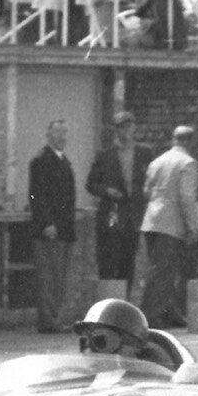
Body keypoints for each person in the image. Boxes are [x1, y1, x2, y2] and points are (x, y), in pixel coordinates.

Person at [139, 126, 198, 328]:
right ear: (191, 142)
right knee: (165, 270)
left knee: (159, 268)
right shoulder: (188, 163)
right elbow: (186, 197)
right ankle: (151, 314)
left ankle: (168, 311)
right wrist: (192, 226)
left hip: (151, 221)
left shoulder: (157, 161)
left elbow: (146, 191)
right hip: (172, 223)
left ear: (173, 140)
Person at [85, 111, 154, 291]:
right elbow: (91, 184)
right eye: (121, 127)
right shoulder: (105, 155)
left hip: (134, 217)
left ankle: (124, 306)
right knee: (108, 262)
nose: (125, 131)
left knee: (128, 262)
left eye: (129, 127)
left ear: (134, 128)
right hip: (111, 215)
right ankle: (108, 305)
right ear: (115, 131)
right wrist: (107, 191)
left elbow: (152, 181)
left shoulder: (144, 153)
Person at [28, 119, 79, 332]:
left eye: (65, 133)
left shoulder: (64, 161)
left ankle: (55, 317)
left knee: (59, 276)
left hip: (64, 227)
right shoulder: (41, 160)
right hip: (50, 228)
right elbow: (36, 195)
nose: (62, 138)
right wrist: (47, 222)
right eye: (58, 134)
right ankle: (48, 320)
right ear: (48, 135)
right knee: (49, 276)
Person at [74, 297, 190, 368]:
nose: (89, 351)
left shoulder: (156, 386)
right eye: (83, 343)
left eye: (100, 341)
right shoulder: (81, 385)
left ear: (134, 344)